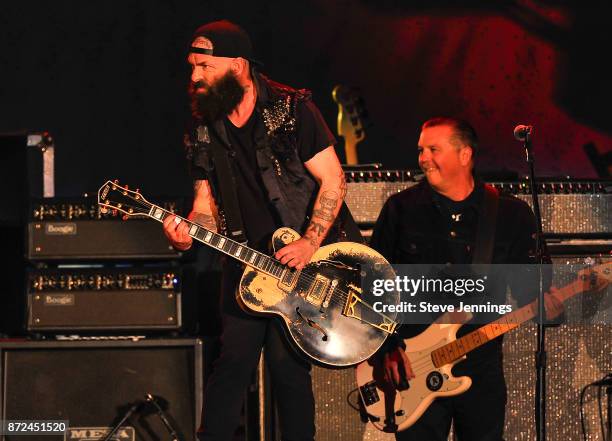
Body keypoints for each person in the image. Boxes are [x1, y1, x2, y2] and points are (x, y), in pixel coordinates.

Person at [162, 20, 360, 441]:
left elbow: (333, 180)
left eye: (204, 66)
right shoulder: (203, 126)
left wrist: (309, 242)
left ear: (237, 65)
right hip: (245, 262)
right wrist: (186, 231)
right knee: (232, 362)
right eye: (191, 67)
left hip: (303, 262)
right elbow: (205, 209)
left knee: (288, 370)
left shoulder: (290, 109)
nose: (194, 76)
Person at [369, 117, 557, 441]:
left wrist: (549, 307)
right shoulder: (401, 210)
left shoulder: (511, 215)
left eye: (433, 149)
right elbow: (373, 286)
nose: (423, 158)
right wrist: (386, 347)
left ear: (465, 155)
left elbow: (533, 294)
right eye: (421, 150)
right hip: (412, 366)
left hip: (481, 369)